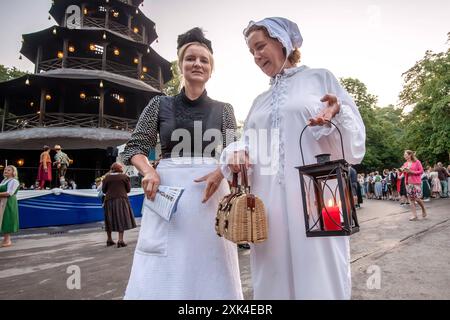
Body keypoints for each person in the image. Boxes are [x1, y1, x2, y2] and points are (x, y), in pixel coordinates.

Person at [221, 17, 365, 299]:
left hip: (317, 203)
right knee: (272, 275)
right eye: (252, 52)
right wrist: (237, 151)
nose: (256, 56)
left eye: (260, 46)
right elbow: (248, 142)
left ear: (283, 42)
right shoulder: (258, 102)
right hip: (268, 207)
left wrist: (336, 115)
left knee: (320, 273)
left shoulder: (319, 78)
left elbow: (354, 147)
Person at [121, 27, 243, 300]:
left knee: (211, 261)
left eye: (204, 60)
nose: (197, 64)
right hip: (166, 194)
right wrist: (148, 170)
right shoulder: (158, 104)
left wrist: (222, 169)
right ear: (181, 65)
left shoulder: (224, 109)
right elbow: (135, 148)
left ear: (211, 69)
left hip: (210, 195)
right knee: (163, 263)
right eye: (191, 58)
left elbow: (234, 150)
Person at [101, 162, 136, 248]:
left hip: (109, 200)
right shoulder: (124, 177)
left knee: (109, 219)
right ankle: (120, 240)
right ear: (119, 169)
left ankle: (109, 239)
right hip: (121, 199)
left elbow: (104, 190)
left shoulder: (106, 178)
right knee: (121, 218)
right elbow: (128, 190)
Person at [401, 150, 427, 221]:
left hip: (415, 182)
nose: (404, 156)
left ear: (410, 155)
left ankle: (423, 208)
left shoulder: (417, 162)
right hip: (407, 183)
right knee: (410, 199)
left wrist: (411, 171)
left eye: (405, 154)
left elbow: (421, 171)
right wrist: (403, 171)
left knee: (417, 198)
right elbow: (404, 172)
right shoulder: (405, 163)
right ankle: (414, 215)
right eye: (404, 155)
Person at [0, 165, 20, 247]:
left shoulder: (14, 181)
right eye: (5, 170)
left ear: (13, 172)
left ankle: (7, 240)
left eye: (8, 170)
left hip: (8, 202)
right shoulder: (4, 180)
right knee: (3, 219)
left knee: (7, 219)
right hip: (2, 201)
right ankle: (5, 239)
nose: (6, 171)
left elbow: (9, 193)